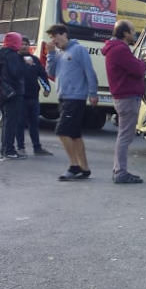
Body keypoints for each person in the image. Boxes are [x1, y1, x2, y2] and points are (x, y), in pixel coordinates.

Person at [46, 23, 99, 181]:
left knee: (62, 131)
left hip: (75, 98)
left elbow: (89, 72)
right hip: (64, 97)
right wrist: (50, 54)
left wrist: (93, 93)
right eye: (51, 38)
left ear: (64, 34)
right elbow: (51, 72)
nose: (54, 40)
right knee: (75, 135)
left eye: (55, 36)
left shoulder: (78, 50)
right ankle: (84, 168)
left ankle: (73, 166)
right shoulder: (58, 53)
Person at [102, 20, 146, 184]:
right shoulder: (120, 49)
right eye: (133, 31)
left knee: (124, 135)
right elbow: (137, 69)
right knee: (125, 136)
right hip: (127, 97)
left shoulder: (115, 49)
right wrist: (143, 63)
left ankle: (119, 170)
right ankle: (120, 171)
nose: (134, 34)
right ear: (125, 33)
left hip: (123, 96)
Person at [0, 32, 27, 160]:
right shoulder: (12, 56)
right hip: (13, 93)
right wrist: (25, 63)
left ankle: (4, 149)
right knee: (11, 123)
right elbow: (16, 73)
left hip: (3, 93)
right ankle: (9, 150)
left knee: (7, 122)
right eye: (20, 41)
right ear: (15, 42)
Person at [16, 36, 52, 157]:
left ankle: (37, 147)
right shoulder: (15, 59)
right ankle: (20, 147)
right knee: (20, 123)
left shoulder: (34, 60)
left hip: (33, 97)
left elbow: (42, 75)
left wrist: (47, 88)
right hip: (20, 97)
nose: (24, 46)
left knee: (34, 124)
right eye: (22, 44)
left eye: (26, 44)